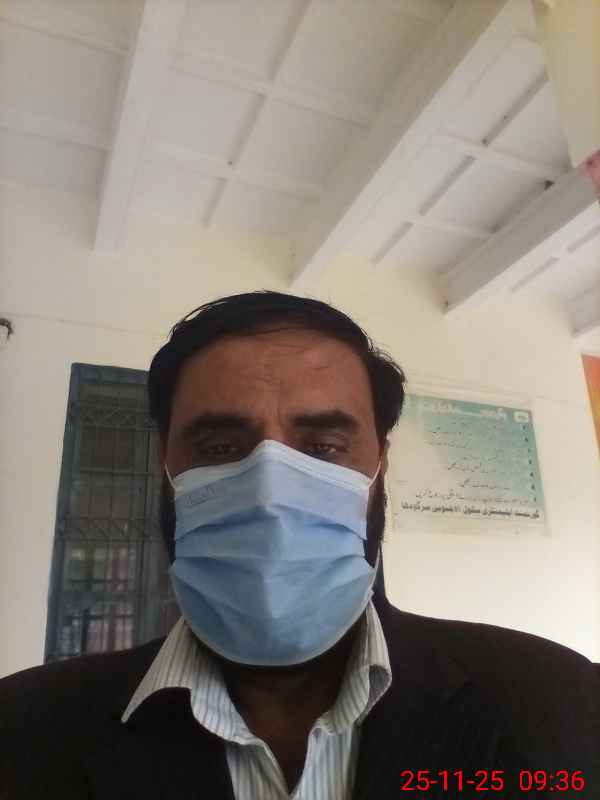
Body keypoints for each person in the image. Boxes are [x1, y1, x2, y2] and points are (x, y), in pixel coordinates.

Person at [0, 290, 598, 800]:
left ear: (381, 467)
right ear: (166, 466)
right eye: (219, 448)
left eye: (322, 448)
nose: (269, 493)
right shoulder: (21, 729)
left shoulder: (565, 705)